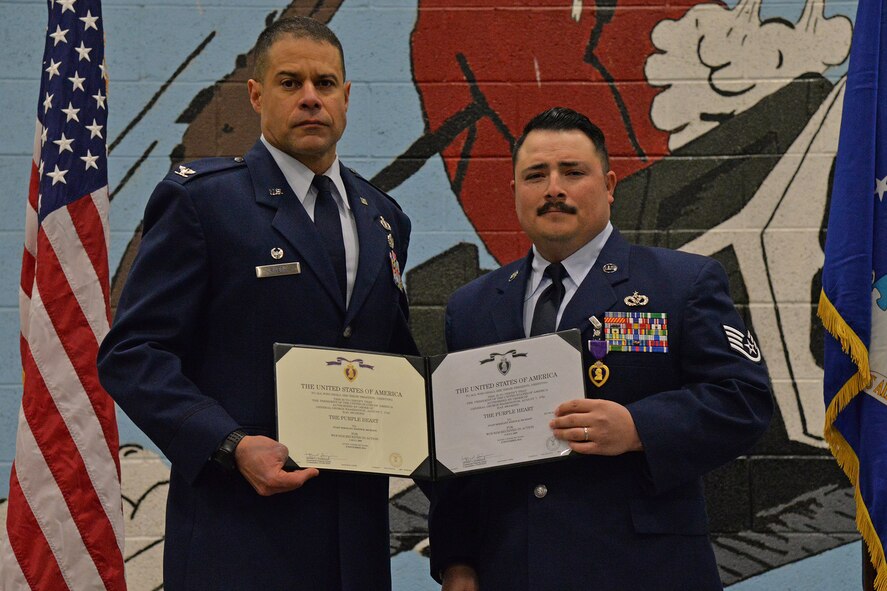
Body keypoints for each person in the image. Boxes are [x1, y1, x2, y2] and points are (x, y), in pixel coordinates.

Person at [97, 16, 416, 591]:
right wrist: (229, 443)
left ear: (347, 98)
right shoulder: (203, 202)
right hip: (239, 537)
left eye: (325, 83)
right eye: (290, 83)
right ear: (256, 95)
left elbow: (393, 360)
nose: (311, 99)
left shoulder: (383, 216)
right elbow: (133, 352)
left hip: (357, 543)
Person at [426, 107, 773, 591]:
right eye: (535, 175)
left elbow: (744, 400)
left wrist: (638, 428)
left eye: (573, 172)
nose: (553, 188)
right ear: (514, 193)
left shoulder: (681, 284)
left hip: (641, 569)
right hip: (512, 570)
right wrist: (457, 560)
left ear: (609, 185)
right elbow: (460, 454)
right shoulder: (473, 308)